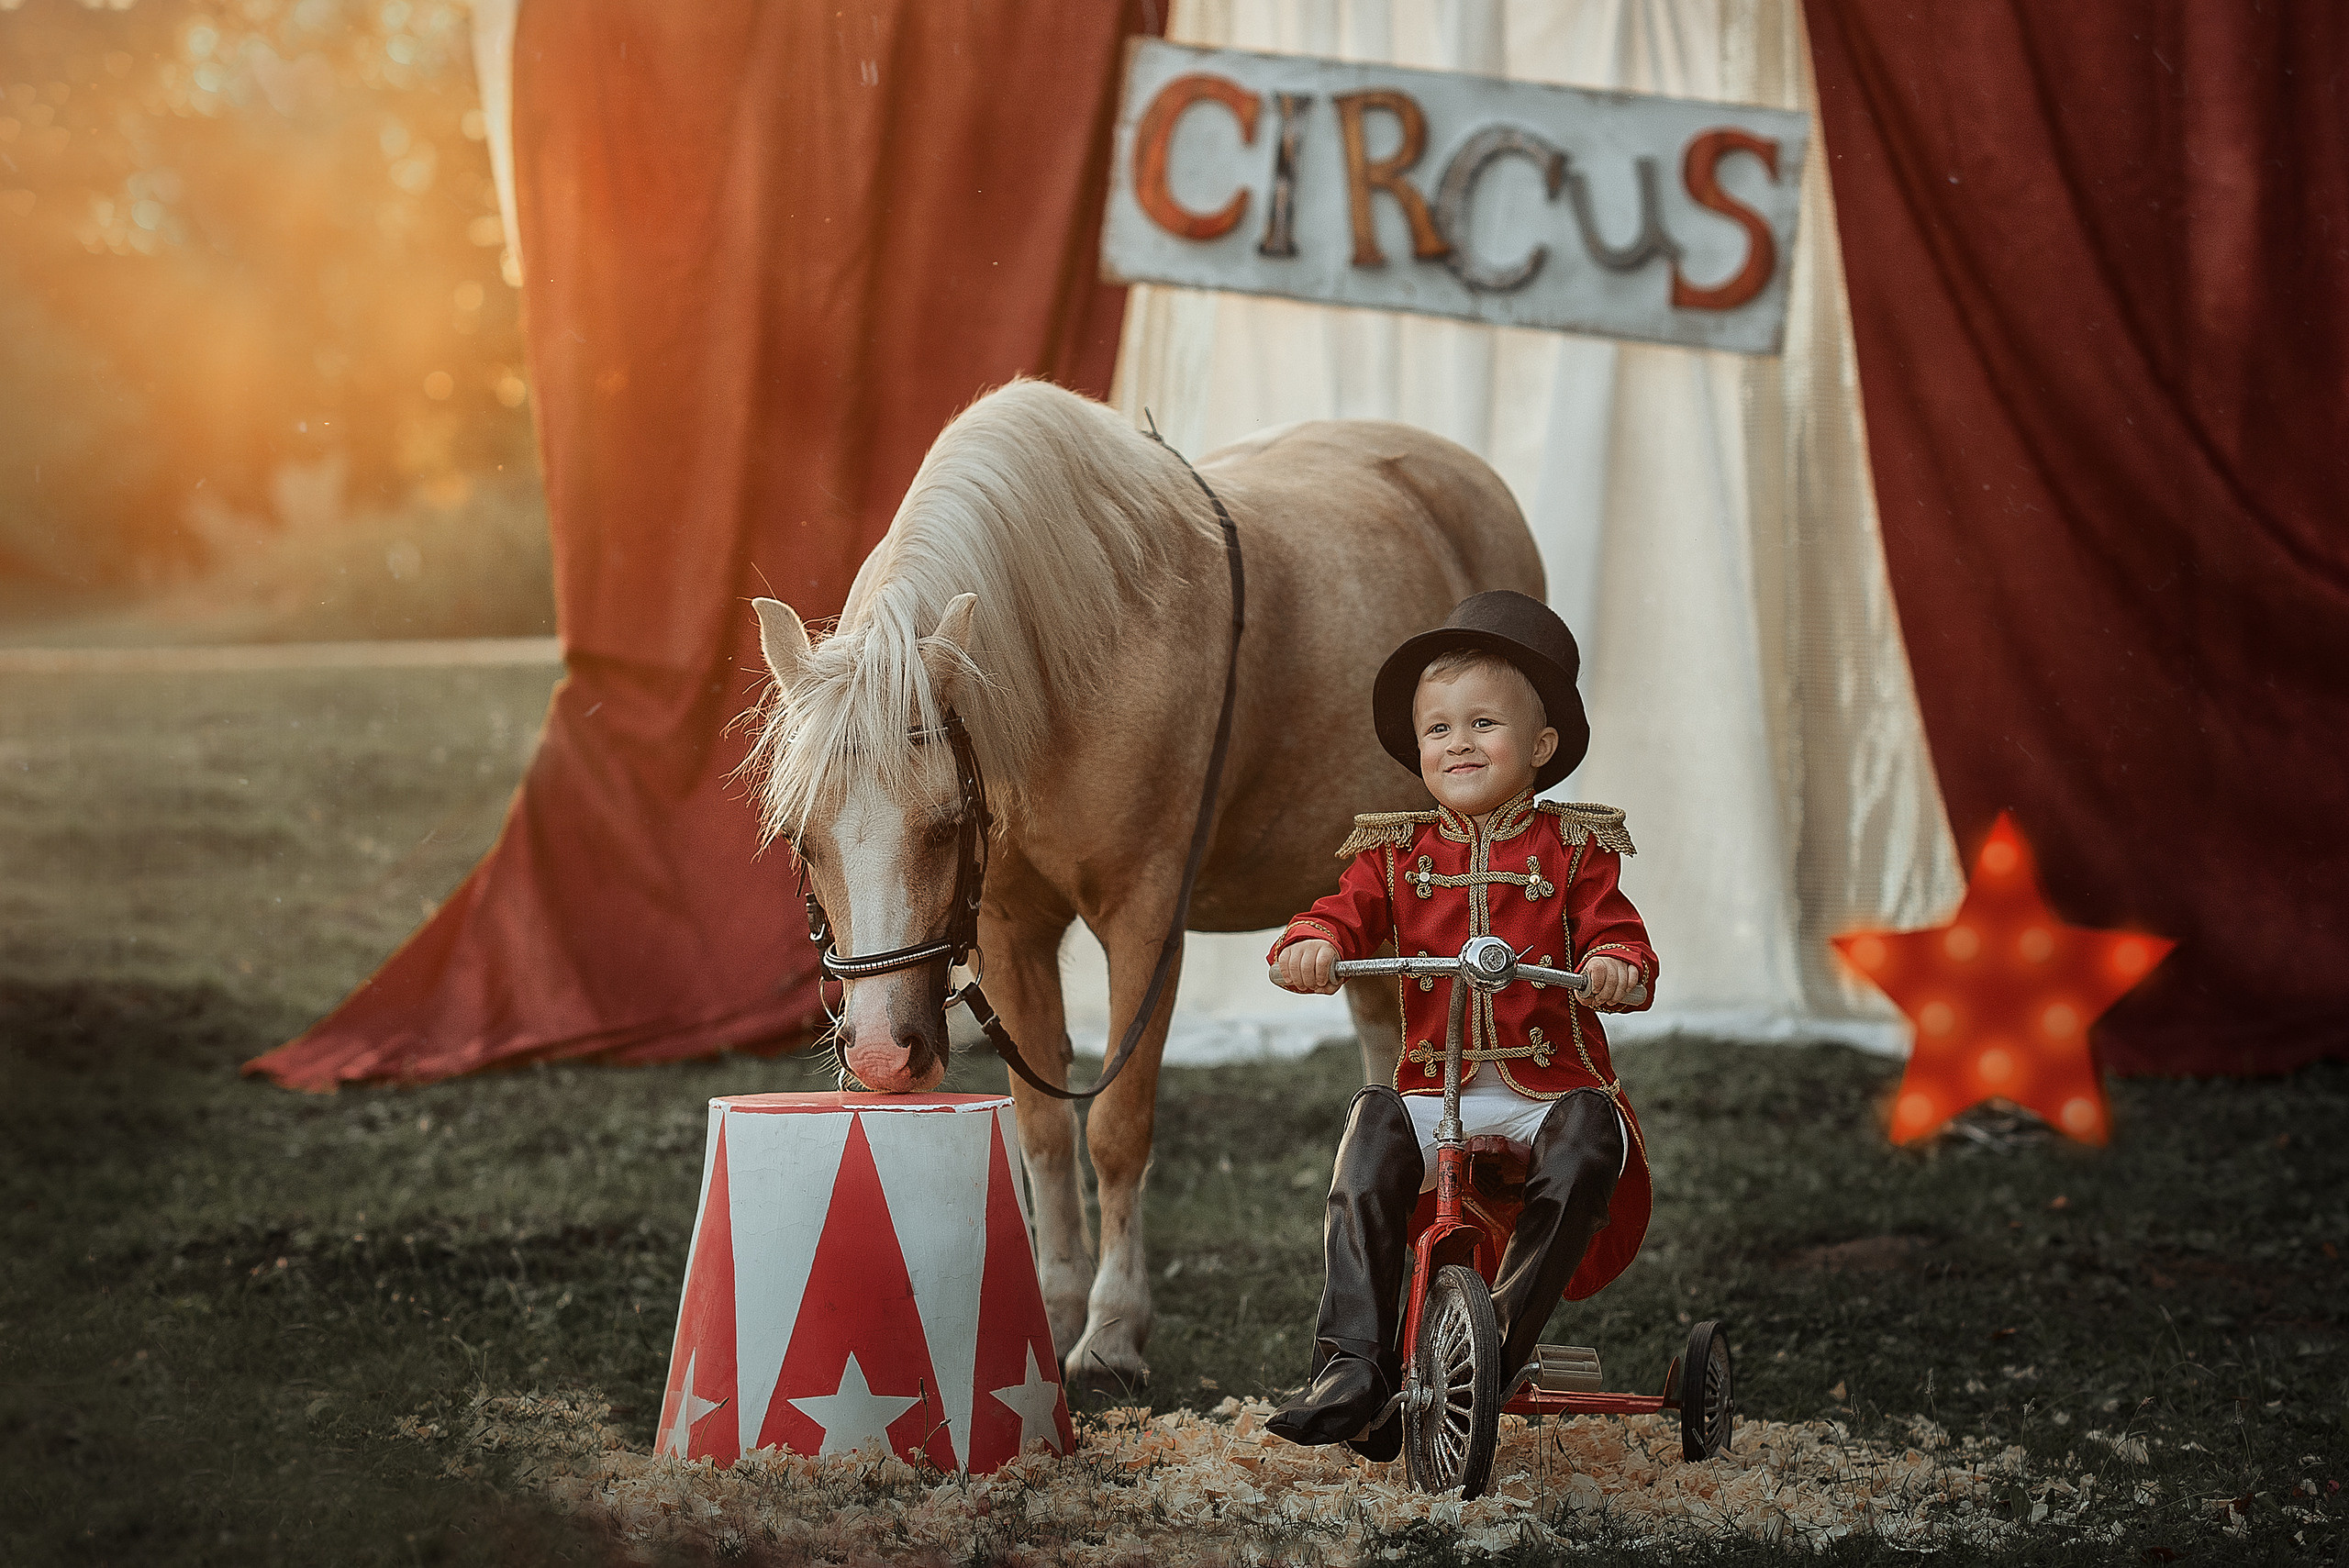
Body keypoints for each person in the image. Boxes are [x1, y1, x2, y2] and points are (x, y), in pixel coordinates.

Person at [1264, 589, 1658, 1459]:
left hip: (1543, 1096)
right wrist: (1314, 943)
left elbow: (1614, 931)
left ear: (1542, 746)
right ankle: (1351, 1363)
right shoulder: (1395, 851)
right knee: (1369, 1123)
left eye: (1485, 723)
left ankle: (1501, 1338)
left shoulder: (1575, 849)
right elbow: (1341, 911)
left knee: (1591, 1135)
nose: (1459, 743)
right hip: (1431, 1095)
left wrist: (1618, 966)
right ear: (1416, 749)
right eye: (1438, 729)